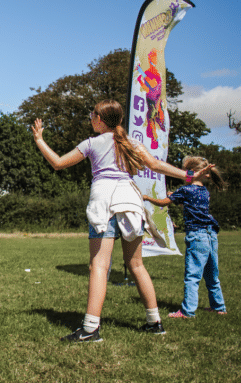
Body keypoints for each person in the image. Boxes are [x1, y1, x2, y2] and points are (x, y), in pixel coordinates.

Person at [32, 99, 214, 342]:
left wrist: (40, 141)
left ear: (99, 119)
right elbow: (156, 165)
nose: (90, 117)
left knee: (99, 266)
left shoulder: (91, 143)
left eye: (92, 114)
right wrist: (189, 175)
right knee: (136, 265)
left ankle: (90, 329)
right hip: (131, 203)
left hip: (104, 203)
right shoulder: (131, 143)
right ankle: (154, 322)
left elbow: (58, 163)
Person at [143, 156, 227, 318]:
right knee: (211, 274)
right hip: (211, 234)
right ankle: (219, 307)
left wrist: (147, 198)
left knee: (192, 276)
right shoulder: (204, 191)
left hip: (197, 236)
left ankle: (187, 311)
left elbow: (162, 203)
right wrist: (176, 196)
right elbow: (192, 204)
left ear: (190, 173)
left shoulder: (185, 190)